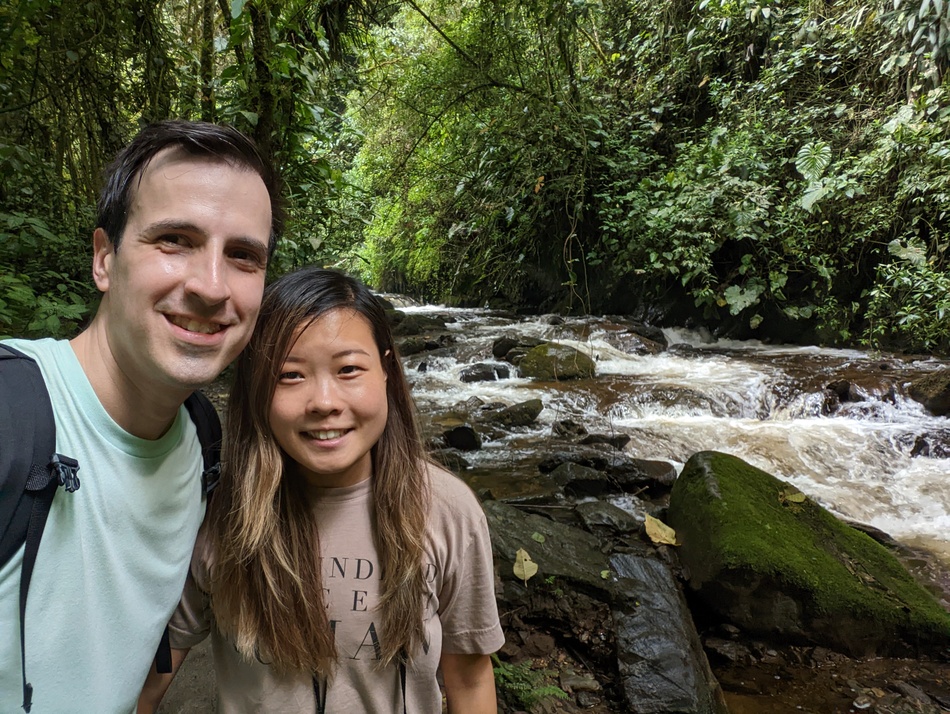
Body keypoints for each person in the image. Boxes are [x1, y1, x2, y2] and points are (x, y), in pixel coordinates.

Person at [0, 120, 280, 712]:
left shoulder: (202, 440)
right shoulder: (12, 414)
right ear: (104, 259)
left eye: (242, 256)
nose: (211, 286)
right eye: (174, 239)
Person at [139, 267, 504, 713]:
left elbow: (468, 680)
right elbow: (153, 671)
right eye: (291, 375)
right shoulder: (220, 512)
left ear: (387, 370)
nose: (325, 402)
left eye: (349, 369)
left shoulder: (447, 512)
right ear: (257, 388)